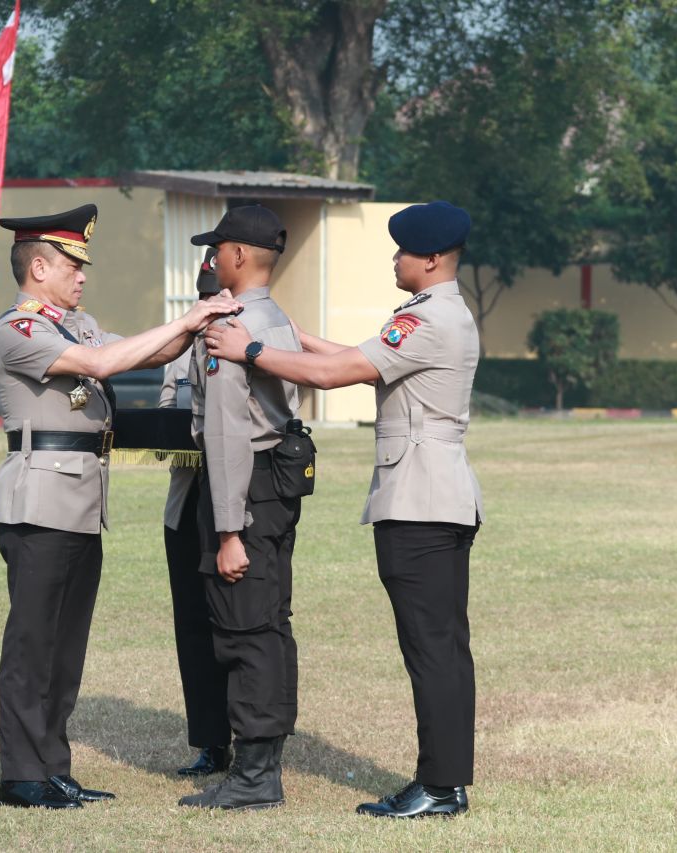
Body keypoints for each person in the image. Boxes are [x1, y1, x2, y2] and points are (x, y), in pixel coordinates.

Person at [205, 200, 484, 820]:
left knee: (432, 648)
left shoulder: (428, 320)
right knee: (439, 645)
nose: (395, 258)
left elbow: (335, 376)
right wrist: (289, 337)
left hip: (421, 501)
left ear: (431, 259)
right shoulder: (433, 314)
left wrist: (250, 351)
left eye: (404, 251)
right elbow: (352, 361)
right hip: (430, 496)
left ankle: (440, 785)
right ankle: (444, 780)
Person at [0, 204, 240, 810]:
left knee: (66, 645)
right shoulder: (19, 330)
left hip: (79, 501)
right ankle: (21, 774)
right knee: (32, 642)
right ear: (39, 265)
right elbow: (103, 365)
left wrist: (199, 322)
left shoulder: (77, 323)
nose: (81, 275)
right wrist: (192, 315)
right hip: (40, 499)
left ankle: (53, 766)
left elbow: (141, 353)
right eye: (72, 264)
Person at [177, 205, 303, 812]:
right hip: (277, 489)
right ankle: (265, 763)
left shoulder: (228, 328)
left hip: (245, 491)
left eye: (219, 248)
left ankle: (253, 776)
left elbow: (226, 434)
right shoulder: (276, 319)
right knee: (272, 623)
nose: (214, 258)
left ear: (239, 256)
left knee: (243, 627)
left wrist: (228, 530)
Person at [160, 249, 232, 777]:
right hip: (188, 502)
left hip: (236, 509)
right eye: (205, 299)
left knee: (236, 624)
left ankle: (251, 741)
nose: (211, 309)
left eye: (219, 298)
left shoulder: (255, 343)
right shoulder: (178, 352)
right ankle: (211, 742)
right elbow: (167, 420)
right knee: (193, 626)